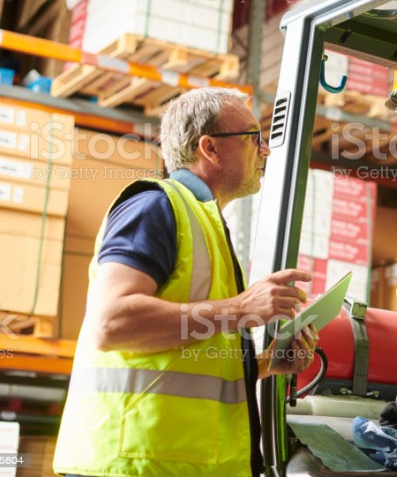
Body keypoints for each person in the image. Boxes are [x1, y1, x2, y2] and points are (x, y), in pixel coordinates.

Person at [53, 87, 317, 477]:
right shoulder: (155, 206)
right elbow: (112, 323)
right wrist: (242, 308)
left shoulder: (205, 225)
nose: (265, 151)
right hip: (134, 464)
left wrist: (266, 363)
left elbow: (186, 357)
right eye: (253, 138)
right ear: (209, 148)